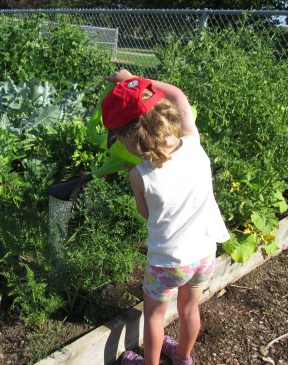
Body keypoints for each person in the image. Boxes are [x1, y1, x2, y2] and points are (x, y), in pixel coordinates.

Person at [101, 69, 230, 365]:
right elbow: (178, 95)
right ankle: (184, 358)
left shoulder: (140, 175)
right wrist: (134, 80)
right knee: (188, 311)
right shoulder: (194, 144)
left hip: (167, 263)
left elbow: (145, 213)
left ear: (131, 138)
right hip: (204, 256)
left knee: (155, 318)